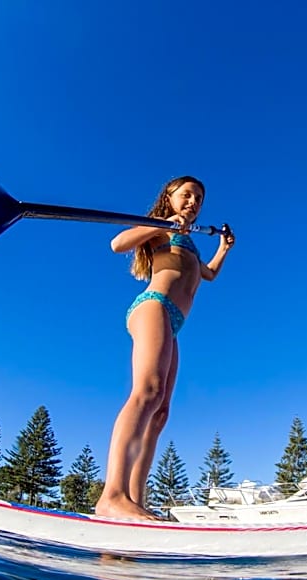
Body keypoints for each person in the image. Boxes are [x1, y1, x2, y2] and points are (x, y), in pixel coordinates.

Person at [94, 175, 234, 520]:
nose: (193, 202)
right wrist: (163, 223)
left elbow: (208, 274)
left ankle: (135, 500)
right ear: (168, 197)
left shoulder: (190, 241)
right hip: (153, 306)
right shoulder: (161, 227)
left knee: (160, 413)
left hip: (173, 322)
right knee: (147, 392)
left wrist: (224, 248)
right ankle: (112, 495)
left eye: (199, 198)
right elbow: (118, 244)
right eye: (187, 195)